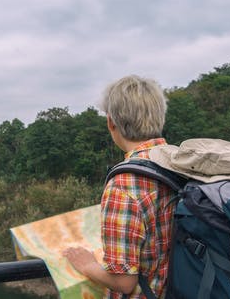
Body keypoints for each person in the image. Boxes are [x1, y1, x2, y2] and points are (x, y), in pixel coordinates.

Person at [63, 75, 175, 299]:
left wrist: (86, 265)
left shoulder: (124, 185)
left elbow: (124, 282)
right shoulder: (180, 161)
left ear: (110, 122)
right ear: (159, 117)